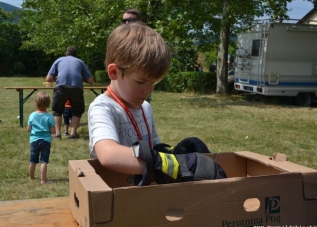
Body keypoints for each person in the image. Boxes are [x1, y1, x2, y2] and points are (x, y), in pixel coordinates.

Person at [88, 23, 226, 186]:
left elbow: (153, 150)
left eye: (154, 82)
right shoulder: (103, 108)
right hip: (113, 196)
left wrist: (174, 153)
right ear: (114, 72)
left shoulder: (145, 107)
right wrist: (176, 166)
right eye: (141, 82)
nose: (149, 89)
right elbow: (108, 155)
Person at [46, 46, 94, 139]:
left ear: (66, 53)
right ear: (76, 55)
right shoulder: (80, 62)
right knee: (77, 110)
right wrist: (80, 78)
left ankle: (58, 133)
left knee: (57, 110)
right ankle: (73, 133)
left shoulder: (59, 60)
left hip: (61, 87)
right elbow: (91, 81)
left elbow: (48, 79)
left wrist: (57, 78)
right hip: (76, 88)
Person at [122, 8, 152, 103]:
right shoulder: (121, 39)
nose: (127, 23)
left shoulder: (148, 38)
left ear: (139, 21)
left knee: (141, 109)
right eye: (124, 21)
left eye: (130, 20)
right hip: (125, 81)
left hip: (142, 81)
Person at [27, 91, 56, 184]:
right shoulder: (49, 117)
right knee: (43, 161)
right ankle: (43, 180)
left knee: (32, 161)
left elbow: (28, 129)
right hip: (46, 141)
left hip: (34, 141)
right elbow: (52, 131)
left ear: (35, 102)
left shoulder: (32, 115)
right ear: (48, 104)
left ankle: (31, 177)